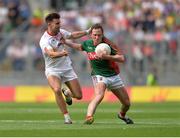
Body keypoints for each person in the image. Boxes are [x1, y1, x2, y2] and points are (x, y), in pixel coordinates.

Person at [63, 23, 134, 124]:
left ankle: (122, 115)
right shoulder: (88, 44)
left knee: (126, 103)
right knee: (99, 95)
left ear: (102, 35)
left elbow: (122, 58)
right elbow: (79, 47)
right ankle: (89, 116)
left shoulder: (109, 45)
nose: (96, 37)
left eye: (99, 35)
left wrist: (107, 57)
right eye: (94, 35)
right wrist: (65, 42)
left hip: (113, 75)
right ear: (91, 35)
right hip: (98, 74)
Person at [39, 12, 90, 124]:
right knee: (57, 89)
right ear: (49, 24)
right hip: (53, 70)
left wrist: (87, 31)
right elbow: (51, 54)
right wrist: (62, 53)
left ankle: (67, 93)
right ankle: (66, 117)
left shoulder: (61, 32)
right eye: (57, 23)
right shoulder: (44, 40)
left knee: (79, 96)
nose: (59, 25)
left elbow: (72, 35)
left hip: (67, 68)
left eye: (59, 22)